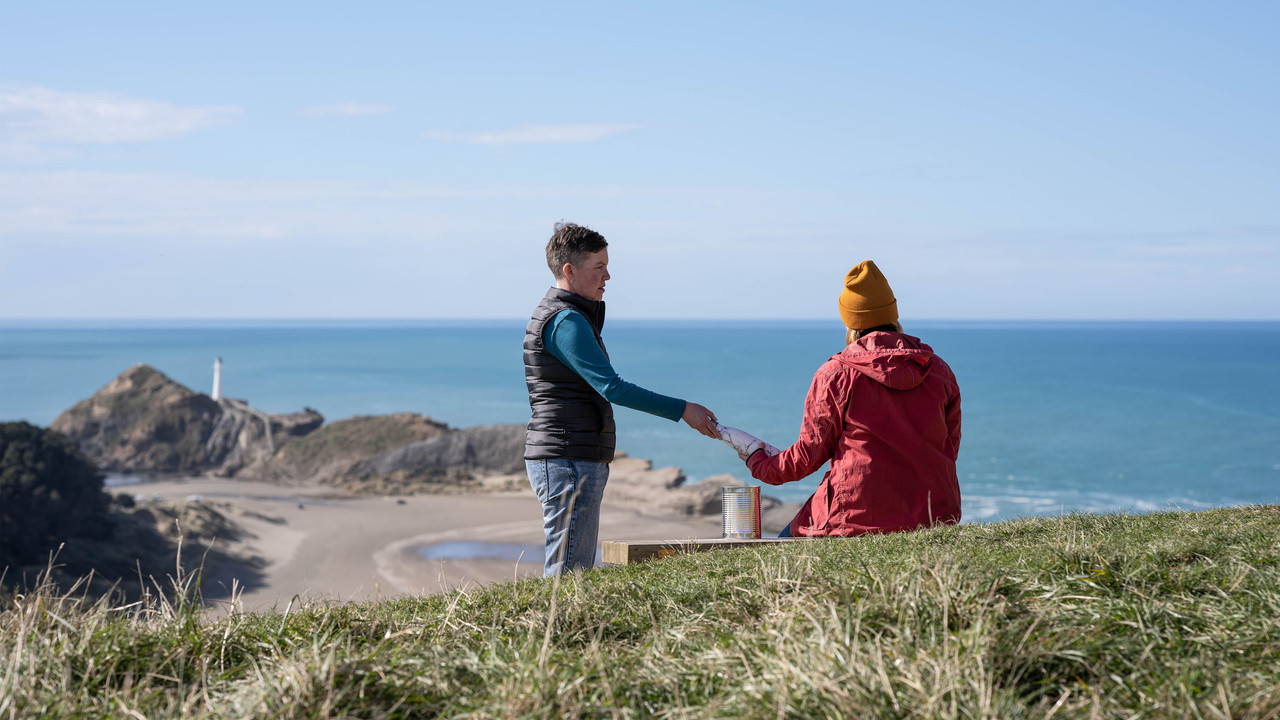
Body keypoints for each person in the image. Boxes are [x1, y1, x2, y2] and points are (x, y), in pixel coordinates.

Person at [524, 222, 721, 575]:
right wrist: (683, 410)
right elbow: (612, 387)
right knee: (569, 574)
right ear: (569, 271)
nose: (608, 275)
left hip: (572, 455)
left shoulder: (569, 315)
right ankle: (555, 630)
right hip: (567, 457)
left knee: (573, 571)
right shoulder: (566, 320)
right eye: (599, 267)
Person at [741, 260, 962, 537]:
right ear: (893, 315)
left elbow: (807, 458)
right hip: (936, 516)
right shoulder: (939, 370)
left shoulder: (836, 374)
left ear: (851, 322)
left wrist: (758, 462)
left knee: (781, 547)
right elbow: (949, 447)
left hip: (858, 518)